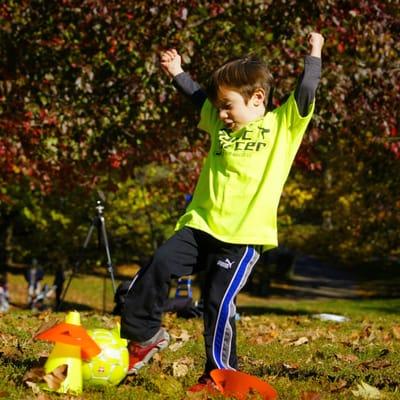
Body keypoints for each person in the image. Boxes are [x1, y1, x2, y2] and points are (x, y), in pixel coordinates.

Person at [121, 32, 324, 390]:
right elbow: (198, 96)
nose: (221, 113)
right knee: (160, 264)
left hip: (243, 237)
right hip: (200, 226)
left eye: (228, 105)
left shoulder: (282, 126)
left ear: (257, 98)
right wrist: (177, 72)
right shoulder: (220, 123)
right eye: (219, 107)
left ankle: (219, 374)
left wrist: (315, 53)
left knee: (217, 301)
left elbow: (306, 92)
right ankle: (145, 335)